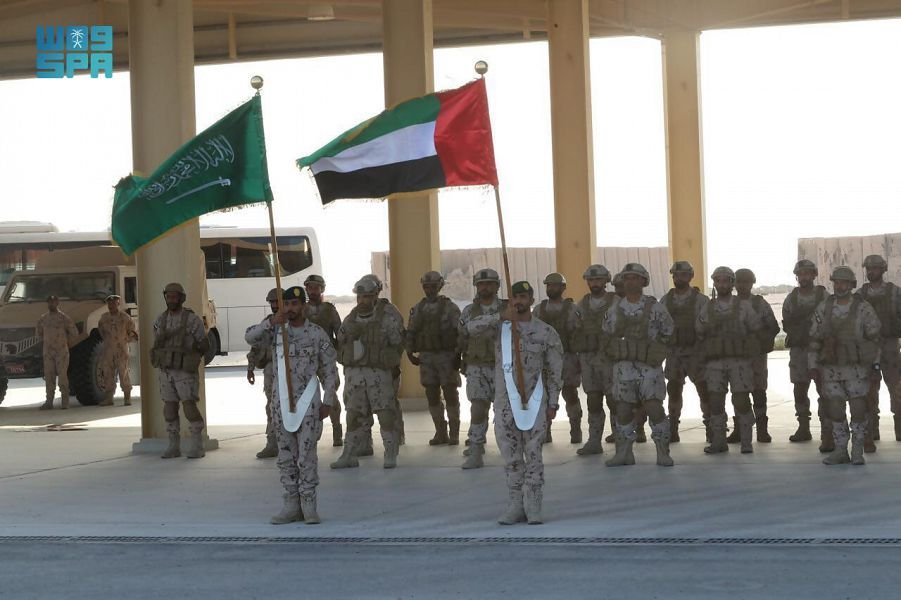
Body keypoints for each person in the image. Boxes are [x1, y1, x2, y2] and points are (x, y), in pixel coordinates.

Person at [246, 286, 338, 524]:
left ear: (303, 306)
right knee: (286, 457)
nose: (290, 309)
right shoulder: (275, 332)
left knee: (306, 457)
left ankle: (309, 505)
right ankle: (291, 505)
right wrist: (271, 322)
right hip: (281, 404)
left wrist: (328, 401)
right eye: (286, 304)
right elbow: (250, 337)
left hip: (307, 404)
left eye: (295, 304)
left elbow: (329, 370)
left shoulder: (316, 334)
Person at [491, 281, 562, 524]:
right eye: (514, 297)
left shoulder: (545, 332)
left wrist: (553, 403)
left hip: (534, 402)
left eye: (523, 297)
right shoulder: (500, 329)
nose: (518, 301)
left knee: (533, 455)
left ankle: (533, 505)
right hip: (505, 404)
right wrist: (501, 317)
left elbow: (554, 371)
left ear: (531, 300)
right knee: (511, 458)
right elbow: (469, 328)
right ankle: (515, 505)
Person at [602, 263, 675, 467]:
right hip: (623, 367)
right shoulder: (615, 309)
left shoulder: (655, 308)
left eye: (634, 277)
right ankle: (624, 453)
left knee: (654, 407)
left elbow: (668, 332)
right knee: (623, 409)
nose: (630, 281)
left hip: (648, 367)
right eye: (626, 278)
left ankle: (663, 452)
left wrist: (655, 351)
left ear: (644, 281)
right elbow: (606, 334)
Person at [809, 266, 882, 465]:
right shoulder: (824, 308)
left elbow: (875, 339)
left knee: (858, 408)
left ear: (851, 285)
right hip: (831, 368)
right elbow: (814, 339)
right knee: (835, 408)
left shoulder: (863, 308)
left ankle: (857, 449)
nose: (839, 286)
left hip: (856, 368)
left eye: (844, 282)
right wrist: (812, 366)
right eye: (837, 282)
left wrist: (875, 366)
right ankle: (841, 449)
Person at [331, 276, 405, 470]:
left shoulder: (387, 317)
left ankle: (390, 452)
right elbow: (341, 339)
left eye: (367, 296)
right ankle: (349, 454)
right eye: (360, 296)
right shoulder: (351, 318)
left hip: (378, 373)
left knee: (385, 414)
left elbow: (398, 342)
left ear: (375, 296)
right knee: (353, 414)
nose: (363, 300)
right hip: (355, 375)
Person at [696, 267, 762, 455]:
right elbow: (699, 332)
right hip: (715, 362)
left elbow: (756, 330)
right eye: (718, 281)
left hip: (739, 362)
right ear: (714, 283)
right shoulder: (708, 308)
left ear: (732, 283)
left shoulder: (743, 306)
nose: (722, 284)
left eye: (726, 281)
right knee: (716, 402)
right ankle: (719, 442)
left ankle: (746, 442)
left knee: (741, 400)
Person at [151, 282, 210, 459]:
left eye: (174, 297)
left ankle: (197, 444)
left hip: (184, 371)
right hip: (166, 370)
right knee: (169, 409)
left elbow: (204, 345)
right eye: (168, 297)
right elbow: (157, 343)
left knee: (189, 407)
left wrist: (190, 351)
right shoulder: (160, 320)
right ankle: (173, 445)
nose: (171, 300)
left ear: (181, 298)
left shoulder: (192, 320)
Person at [405, 271, 462, 445]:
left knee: (450, 393)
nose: (429, 290)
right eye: (426, 287)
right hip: (427, 357)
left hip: (447, 355)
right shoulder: (418, 308)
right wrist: (409, 352)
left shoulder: (450, 308)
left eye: (433, 286)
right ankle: (440, 431)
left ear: (440, 286)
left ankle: (454, 432)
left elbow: (460, 332)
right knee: (431, 394)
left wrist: (458, 355)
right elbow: (411, 331)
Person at [458, 268, 506, 469]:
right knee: (478, 408)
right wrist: (460, 360)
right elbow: (462, 336)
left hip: (503, 367)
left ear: (497, 286)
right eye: (481, 284)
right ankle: (476, 449)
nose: (485, 287)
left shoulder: (509, 308)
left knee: (505, 411)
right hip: (477, 366)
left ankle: (510, 448)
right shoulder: (469, 311)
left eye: (489, 284)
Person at [782, 259, 830, 449]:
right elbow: (787, 322)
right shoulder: (791, 299)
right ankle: (803, 427)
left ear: (814, 275)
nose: (804, 277)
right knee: (799, 389)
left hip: (819, 350)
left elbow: (830, 318)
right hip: (799, 350)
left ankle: (826, 429)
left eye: (807, 273)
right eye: (800, 274)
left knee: (824, 389)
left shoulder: (823, 295)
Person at [660, 261, 710, 442]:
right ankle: (673, 427)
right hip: (674, 353)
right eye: (675, 275)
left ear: (690, 276)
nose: (678, 278)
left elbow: (708, 327)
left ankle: (711, 427)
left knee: (704, 390)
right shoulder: (665, 300)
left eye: (682, 275)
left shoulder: (701, 300)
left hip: (696, 353)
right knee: (673, 390)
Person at [730, 268, 780, 443]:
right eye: (739, 282)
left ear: (752, 283)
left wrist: (757, 340)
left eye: (746, 282)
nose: (742, 285)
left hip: (756, 356)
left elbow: (773, 327)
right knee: (738, 394)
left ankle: (761, 429)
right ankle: (739, 428)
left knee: (759, 392)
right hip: (736, 356)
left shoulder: (759, 304)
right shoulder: (729, 304)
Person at [856, 255, 901, 447]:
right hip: (868, 349)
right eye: (868, 268)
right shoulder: (860, 294)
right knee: (869, 391)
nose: (871, 271)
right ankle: (872, 430)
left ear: (883, 270)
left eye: (874, 268)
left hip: (890, 347)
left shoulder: (895, 292)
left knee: (897, 388)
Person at [533, 272, 582, 444]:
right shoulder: (539, 309)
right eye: (549, 285)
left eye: (554, 285)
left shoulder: (573, 309)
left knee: (570, 394)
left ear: (563, 288)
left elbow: (579, 333)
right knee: (544, 396)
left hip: (567, 358)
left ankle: (575, 429)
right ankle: (545, 430)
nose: (551, 288)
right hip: (544, 360)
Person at [573, 264, 616, 455]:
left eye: (598, 279)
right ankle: (594, 440)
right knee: (593, 399)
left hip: (610, 358)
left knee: (615, 400)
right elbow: (574, 329)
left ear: (606, 280)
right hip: (588, 358)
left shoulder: (616, 302)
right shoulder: (581, 305)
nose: (594, 283)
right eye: (591, 280)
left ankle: (621, 436)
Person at [303, 274, 344, 447]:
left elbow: (339, 333)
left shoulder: (329, 310)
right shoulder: (301, 309)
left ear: (322, 289)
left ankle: (337, 429)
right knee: (306, 397)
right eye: (309, 288)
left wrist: (341, 355)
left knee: (331, 394)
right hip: (306, 360)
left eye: (316, 288)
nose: (312, 291)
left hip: (326, 359)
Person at [246, 288, 280, 459]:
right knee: (271, 406)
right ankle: (272, 443)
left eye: (277, 301)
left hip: (292, 371)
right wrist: (250, 367)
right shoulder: (268, 323)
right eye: (271, 302)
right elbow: (255, 344)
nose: (274, 305)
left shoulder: (294, 322)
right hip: (270, 370)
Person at [36, 295, 77, 410]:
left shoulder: (64, 318)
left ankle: (65, 401)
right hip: (48, 353)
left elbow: (74, 332)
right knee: (49, 377)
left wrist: (65, 344)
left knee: (62, 377)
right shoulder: (43, 319)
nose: (51, 304)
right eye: (49, 302)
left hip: (61, 352)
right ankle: (49, 401)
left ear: (57, 303)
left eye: (53, 302)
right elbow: (39, 334)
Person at [97, 294, 137, 407]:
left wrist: (124, 341)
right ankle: (109, 398)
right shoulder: (104, 318)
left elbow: (132, 332)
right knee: (107, 373)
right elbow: (101, 331)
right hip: (108, 350)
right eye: (109, 303)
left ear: (118, 304)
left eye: (114, 303)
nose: (111, 305)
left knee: (123, 372)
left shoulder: (125, 317)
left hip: (121, 350)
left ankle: (127, 397)